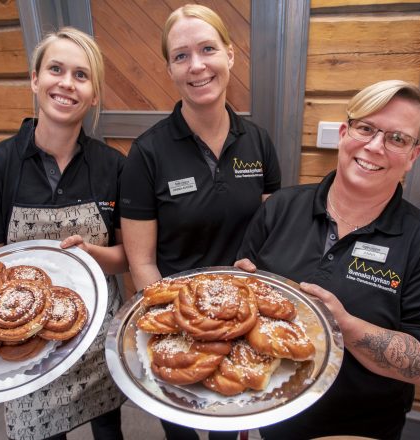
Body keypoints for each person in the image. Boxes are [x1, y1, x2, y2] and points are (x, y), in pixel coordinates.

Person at [235, 80, 420, 440]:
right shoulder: (279, 208)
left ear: (413, 156)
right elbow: (247, 299)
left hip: (358, 428)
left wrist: (344, 326)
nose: (375, 146)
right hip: (272, 412)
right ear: (344, 133)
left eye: (397, 138)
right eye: (366, 128)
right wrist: (240, 294)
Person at [119, 4, 281, 440]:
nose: (196, 65)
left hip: (244, 320)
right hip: (179, 324)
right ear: (170, 69)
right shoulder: (147, 153)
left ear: (230, 54)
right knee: (181, 427)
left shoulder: (259, 142)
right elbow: (142, 263)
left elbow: (267, 236)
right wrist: (180, 331)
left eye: (207, 49)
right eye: (181, 55)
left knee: (228, 426)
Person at [0, 27, 127, 440]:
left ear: (94, 95)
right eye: (56, 69)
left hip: (95, 337)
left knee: (108, 428)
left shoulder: (113, 166)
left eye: (81, 75)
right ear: (35, 79)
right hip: (26, 343)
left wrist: (90, 253)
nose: (67, 83)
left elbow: (127, 256)